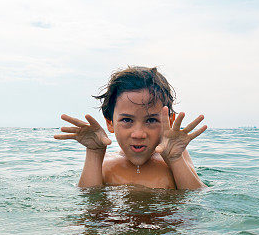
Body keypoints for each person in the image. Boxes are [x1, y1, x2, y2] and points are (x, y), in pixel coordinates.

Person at [55, 66, 207, 190]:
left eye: (151, 120)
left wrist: (175, 159)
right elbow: (92, 206)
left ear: (168, 121)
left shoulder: (175, 157)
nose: (138, 134)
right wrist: (94, 153)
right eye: (127, 120)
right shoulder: (106, 165)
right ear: (110, 123)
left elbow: (196, 197)